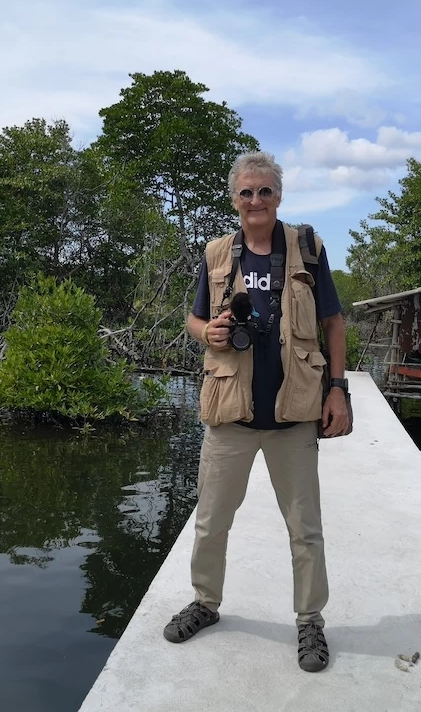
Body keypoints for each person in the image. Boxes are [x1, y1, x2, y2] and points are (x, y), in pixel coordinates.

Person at [162, 151, 350, 673]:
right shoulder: (217, 253)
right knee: (211, 522)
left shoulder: (308, 249)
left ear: (279, 196)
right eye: (246, 192)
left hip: (293, 415)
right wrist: (210, 332)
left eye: (264, 191)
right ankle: (205, 603)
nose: (255, 201)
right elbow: (193, 320)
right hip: (231, 416)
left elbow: (334, 323)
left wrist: (338, 390)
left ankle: (310, 621)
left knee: (304, 528)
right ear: (234, 199)